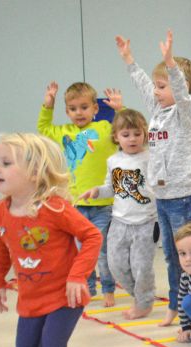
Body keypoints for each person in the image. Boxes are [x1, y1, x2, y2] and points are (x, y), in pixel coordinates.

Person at [0, 133, 102, 347]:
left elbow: (92, 236)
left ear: (34, 172)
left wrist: (77, 276)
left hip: (65, 295)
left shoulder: (55, 208)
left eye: (6, 163)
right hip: (31, 299)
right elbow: (1, 247)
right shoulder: (0, 210)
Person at [115, 29, 191, 326]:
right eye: (157, 85)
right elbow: (142, 86)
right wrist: (129, 60)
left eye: (162, 85)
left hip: (182, 198)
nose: (155, 90)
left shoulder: (186, 113)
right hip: (162, 199)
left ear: (180, 87)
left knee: (189, 257)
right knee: (170, 256)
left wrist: (171, 65)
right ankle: (176, 308)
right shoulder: (157, 112)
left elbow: (179, 91)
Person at [37, 81, 124, 307]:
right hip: (75, 205)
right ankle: (88, 288)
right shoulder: (63, 133)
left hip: (103, 203)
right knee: (80, 251)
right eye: (73, 108)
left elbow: (126, 127)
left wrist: (119, 109)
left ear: (95, 109)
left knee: (102, 250)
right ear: (67, 111)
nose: (79, 113)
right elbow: (44, 128)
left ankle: (108, 289)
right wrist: (48, 105)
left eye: (84, 107)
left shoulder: (105, 128)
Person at [79, 109, 158, 320]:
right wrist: (96, 191)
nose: (132, 139)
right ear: (116, 137)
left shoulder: (151, 157)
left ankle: (143, 302)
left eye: (137, 133)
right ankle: (140, 296)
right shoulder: (113, 160)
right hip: (119, 222)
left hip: (146, 223)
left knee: (141, 266)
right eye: (126, 134)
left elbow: (161, 183)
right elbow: (110, 187)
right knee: (116, 265)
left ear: (145, 134)